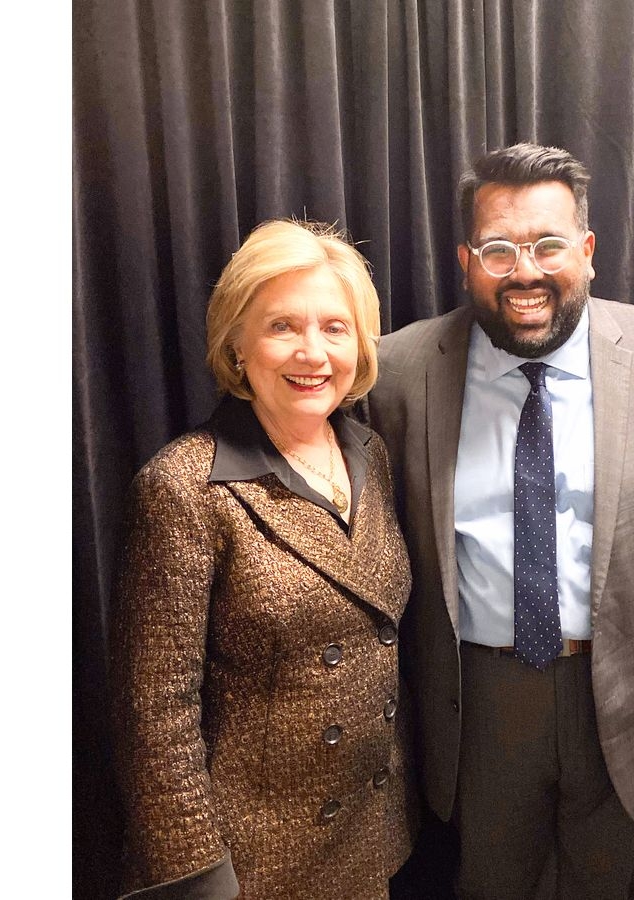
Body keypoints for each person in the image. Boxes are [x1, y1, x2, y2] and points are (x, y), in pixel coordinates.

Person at [364, 143, 634, 899]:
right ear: (466, 259)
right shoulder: (395, 372)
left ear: (586, 251)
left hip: (626, 694)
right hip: (478, 700)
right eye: (499, 248)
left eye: (549, 244)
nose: (526, 270)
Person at [110, 220, 416, 900]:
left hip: (368, 844)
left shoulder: (372, 456)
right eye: (283, 325)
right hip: (251, 866)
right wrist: (197, 878)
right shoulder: (184, 486)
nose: (313, 352)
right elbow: (153, 716)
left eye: (335, 327)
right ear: (238, 345)